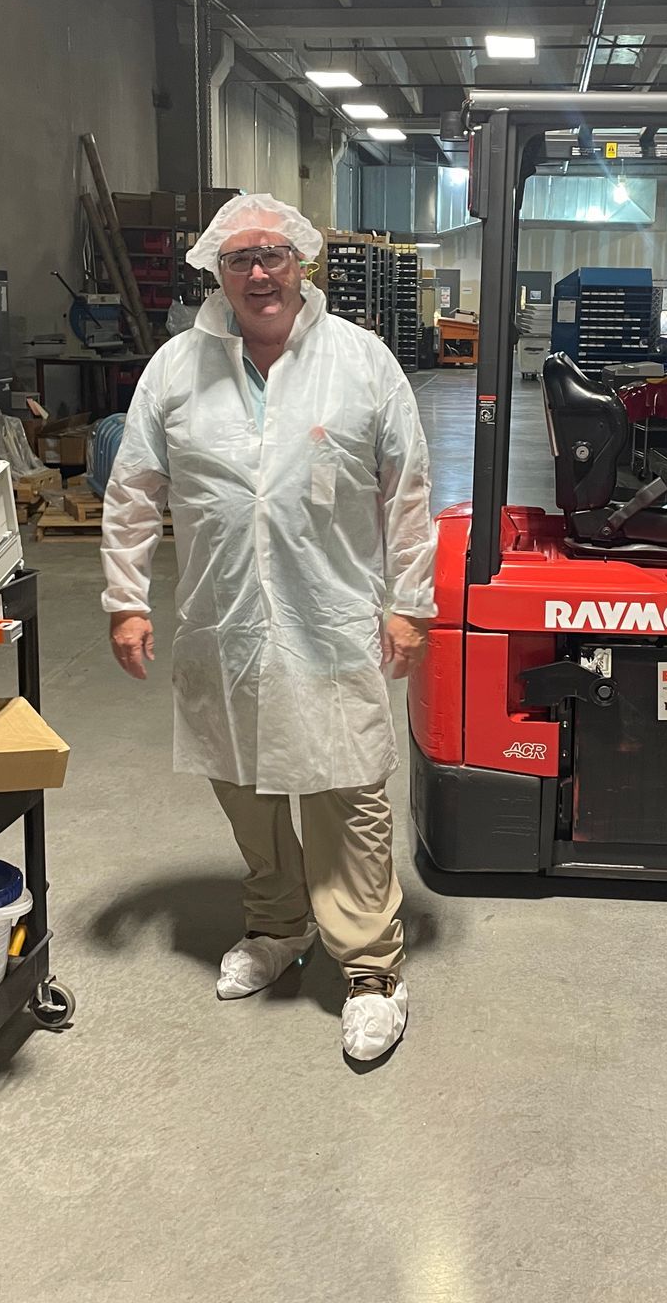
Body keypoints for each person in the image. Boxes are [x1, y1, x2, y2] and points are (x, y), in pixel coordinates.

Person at [99, 193, 437, 1064]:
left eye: (273, 256)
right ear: (216, 272)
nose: (258, 274)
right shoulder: (177, 368)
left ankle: (371, 970)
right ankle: (280, 926)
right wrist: (125, 599)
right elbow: (133, 489)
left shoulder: (359, 360)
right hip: (224, 620)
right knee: (245, 782)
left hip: (331, 616)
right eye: (239, 259)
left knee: (346, 789)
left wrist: (410, 602)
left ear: (302, 263)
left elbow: (406, 488)